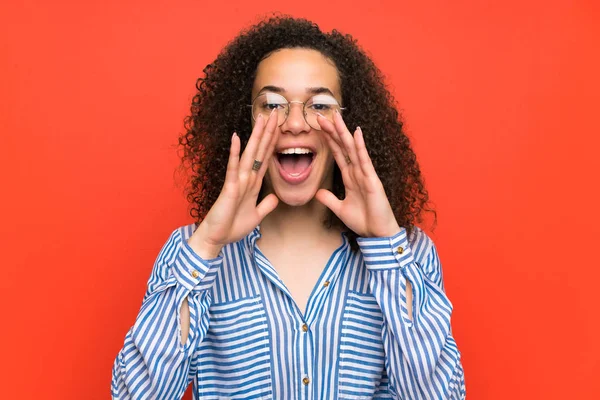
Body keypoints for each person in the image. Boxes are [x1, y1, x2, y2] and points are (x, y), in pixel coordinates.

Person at [111, 16, 465, 400]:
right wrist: (207, 244)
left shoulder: (407, 253)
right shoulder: (191, 252)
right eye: (273, 104)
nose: (295, 123)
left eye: (320, 104)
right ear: (246, 121)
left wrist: (384, 243)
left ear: (349, 123)